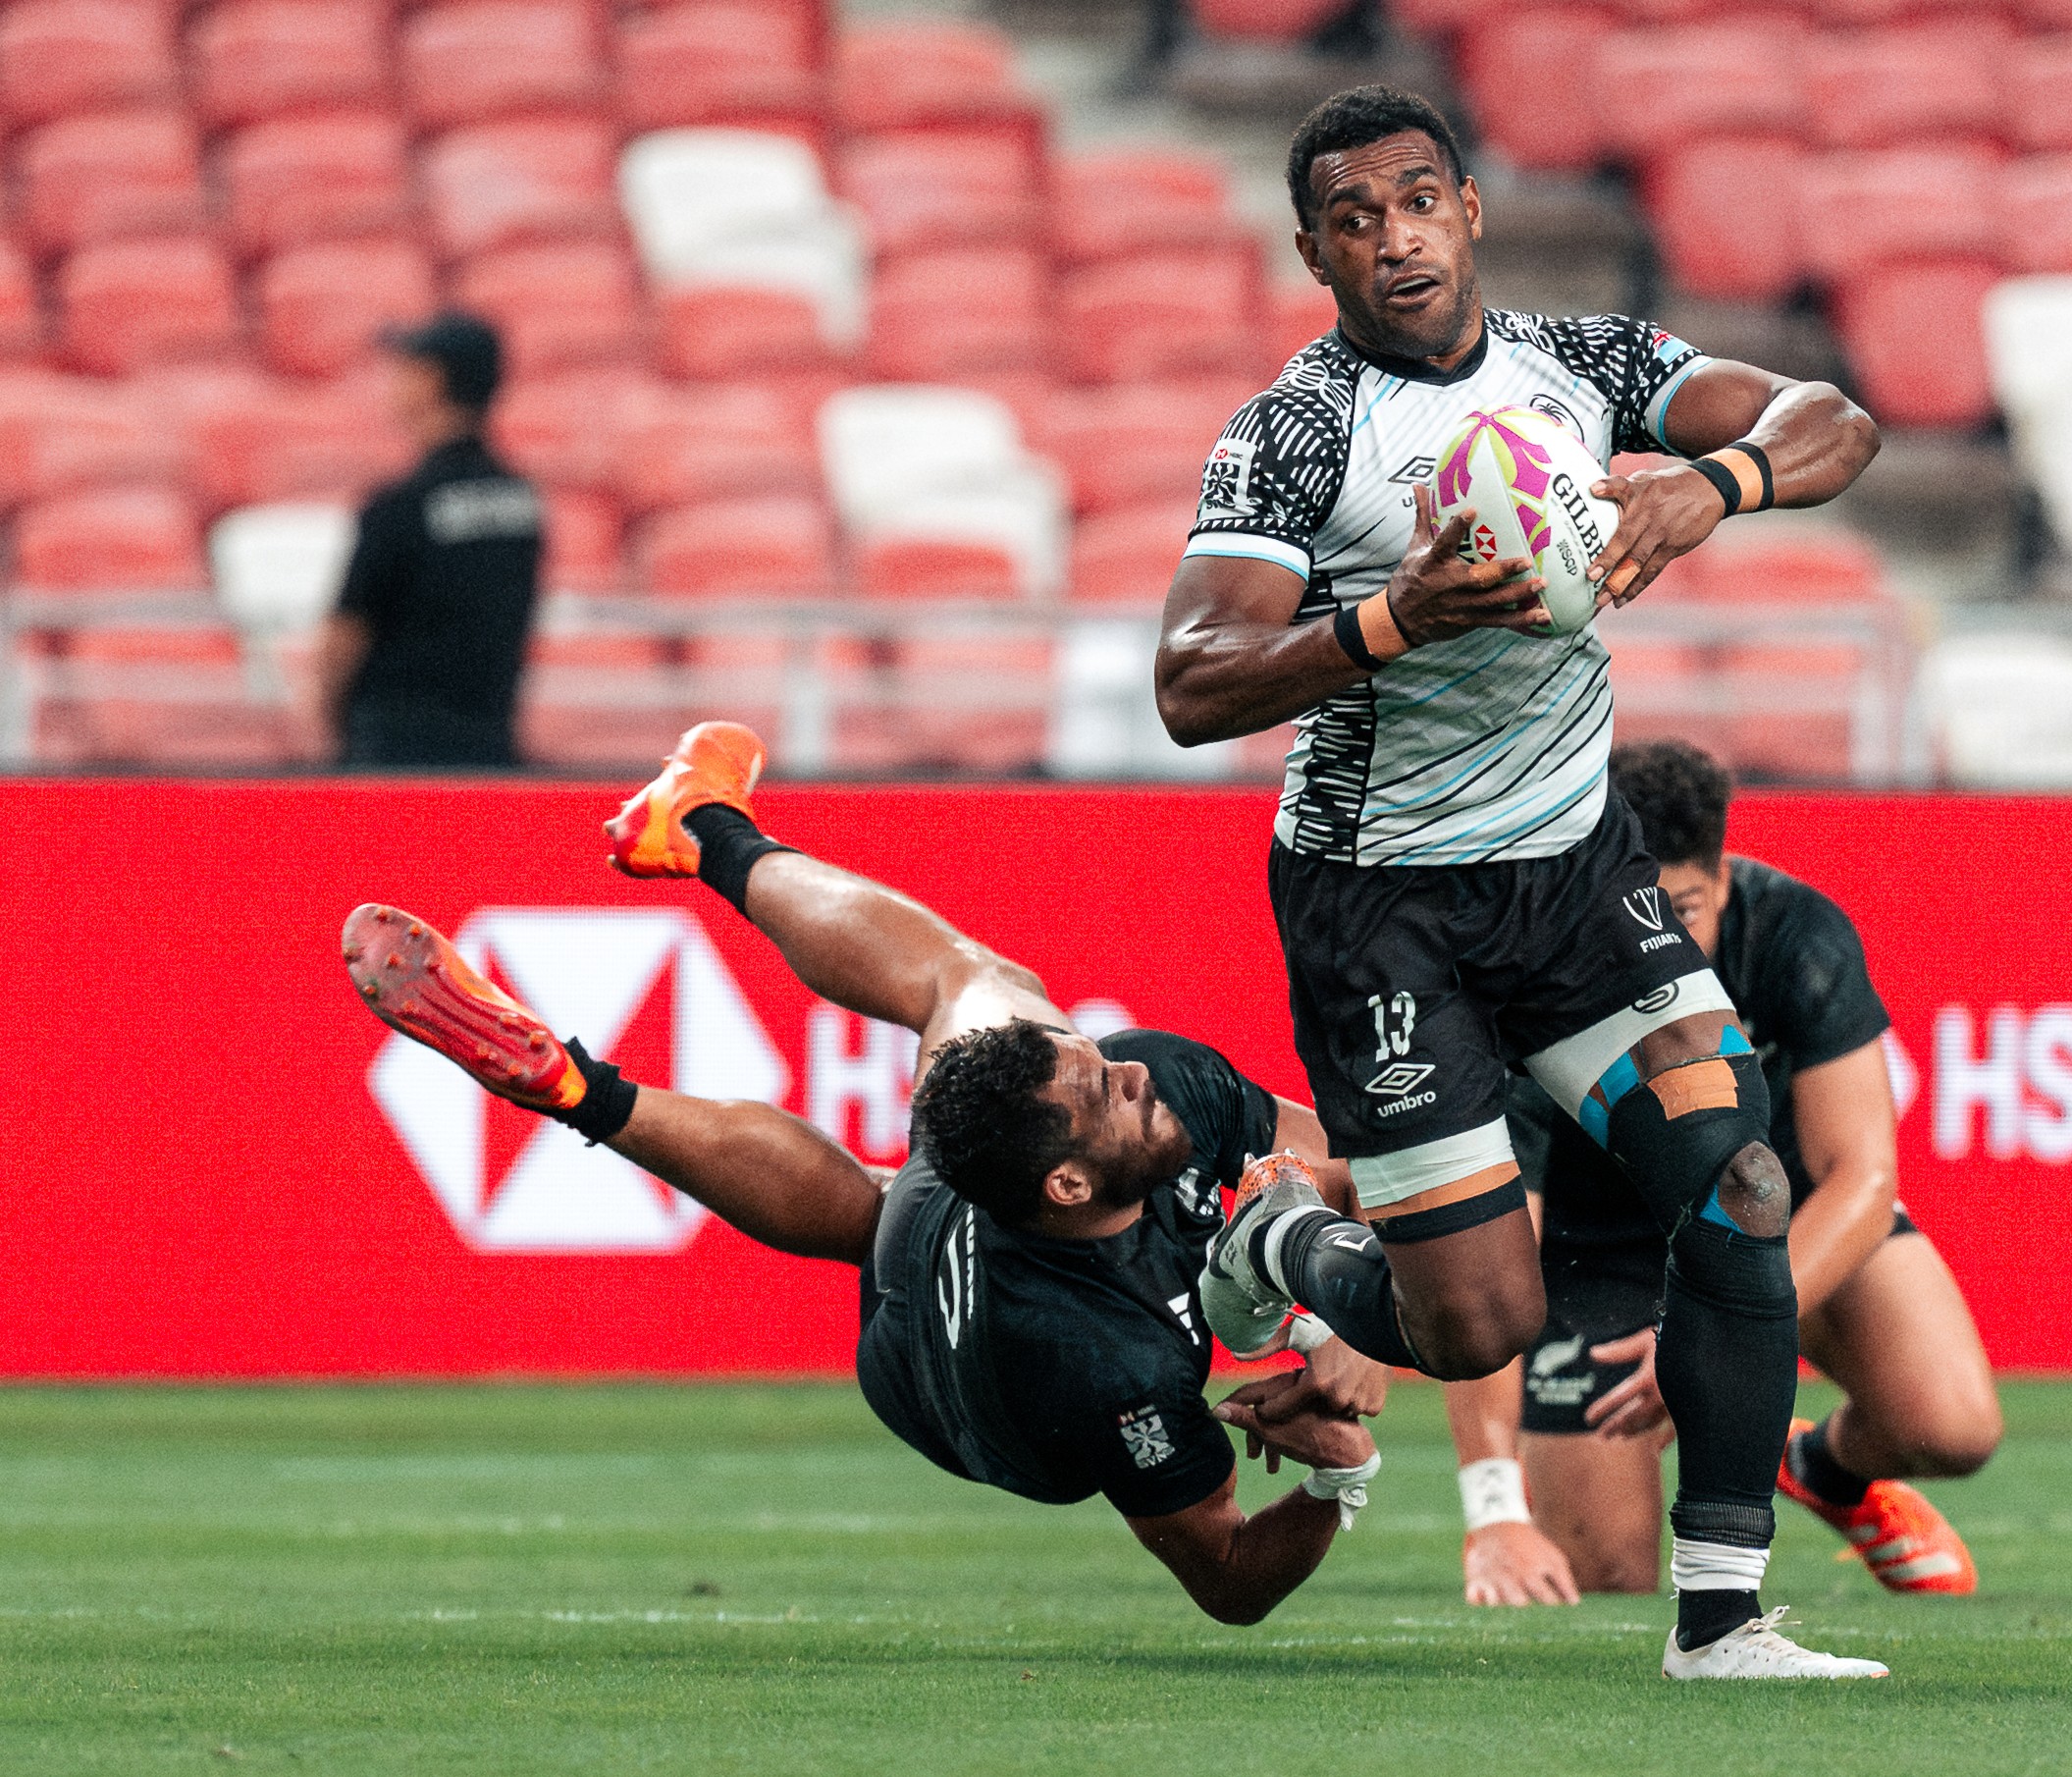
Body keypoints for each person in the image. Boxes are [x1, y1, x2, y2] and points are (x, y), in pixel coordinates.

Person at [1153, 85, 1885, 1679]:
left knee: (1745, 1187)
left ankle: (1721, 1621)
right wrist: (1393, 620)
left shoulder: (1593, 369)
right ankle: (1276, 1246)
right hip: (1380, 905)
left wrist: (1718, 484)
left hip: (1572, 874)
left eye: (1419, 201)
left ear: (1470, 211)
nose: (1394, 239)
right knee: (1476, 1325)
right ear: (1314, 254)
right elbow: (1193, 681)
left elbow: (1836, 417)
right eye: (1356, 219)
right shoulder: (1295, 435)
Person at [342, 722, 1391, 1626]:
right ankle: (691, 852)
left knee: (973, 999)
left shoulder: (1142, 1088)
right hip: (943, 1396)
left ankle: (592, 1065)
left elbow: (1331, 1171)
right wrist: (1338, 1473)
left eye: (1101, 1060)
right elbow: (1231, 1578)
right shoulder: (1107, 1364)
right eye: (1104, 1089)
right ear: (1070, 1186)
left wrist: (1336, 1309)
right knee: (894, 1207)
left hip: (945, 1218)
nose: (1126, 1066)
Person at [1450, 741, 2000, 1609]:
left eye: (1686, 909)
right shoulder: (1533, 974)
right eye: (1635, 913)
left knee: (1952, 1425)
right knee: (1608, 1576)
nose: (1659, 945)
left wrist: (1711, 1338)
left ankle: (1813, 1466)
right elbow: (1484, 1252)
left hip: (1763, 1222)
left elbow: (1859, 1179)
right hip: (1598, 1257)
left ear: (1725, 872)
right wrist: (1492, 1508)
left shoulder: (1795, 933)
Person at [320, 311, 543, 770]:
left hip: (393, 757)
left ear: (431, 382)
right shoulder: (522, 503)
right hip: (488, 752)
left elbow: (343, 639)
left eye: (406, 369)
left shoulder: (401, 506)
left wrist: (330, 733)